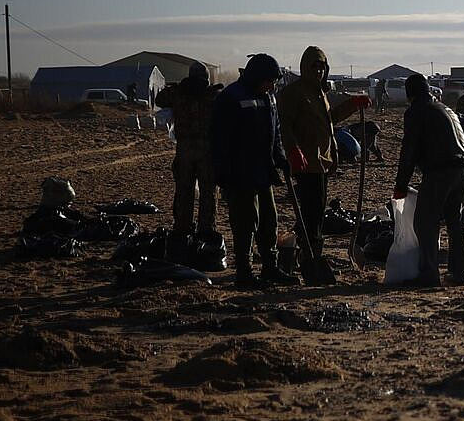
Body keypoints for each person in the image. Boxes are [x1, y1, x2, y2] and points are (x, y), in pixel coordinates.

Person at [278, 45, 367, 285]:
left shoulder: (320, 94)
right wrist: (293, 150)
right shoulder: (294, 93)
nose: (318, 71)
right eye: (314, 67)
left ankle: (291, 254)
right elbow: (285, 125)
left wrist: (352, 104)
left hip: (322, 162)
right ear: (305, 68)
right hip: (306, 163)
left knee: (312, 213)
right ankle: (310, 257)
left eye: (321, 67)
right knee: (313, 215)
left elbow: (330, 120)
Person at [209, 54, 294, 288]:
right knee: (245, 223)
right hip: (239, 173)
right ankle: (244, 273)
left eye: (274, 82)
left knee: (269, 221)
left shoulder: (269, 98)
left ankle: (270, 268)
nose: (272, 86)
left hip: (263, 172)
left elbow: (275, 132)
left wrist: (280, 158)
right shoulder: (231, 98)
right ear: (257, 77)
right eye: (269, 81)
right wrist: (223, 173)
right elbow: (218, 140)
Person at [393, 73, 464, 286]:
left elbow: (409, 150)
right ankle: (460, 272)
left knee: (425, 222)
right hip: (463, 167)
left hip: (440, 170)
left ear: (410, 94)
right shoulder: (446, 109)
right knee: (457, 222)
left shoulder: (417, 111)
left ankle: (429, 274)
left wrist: (401, 185)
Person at [156, 61, 218, 237]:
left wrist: (179, 87)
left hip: (184, 149)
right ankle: (206, 229)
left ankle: (182, 227)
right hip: (206, 150)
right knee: (208, 193)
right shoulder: (212, 94)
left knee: (184, 191)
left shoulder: (178, 92)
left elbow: (159, 99)